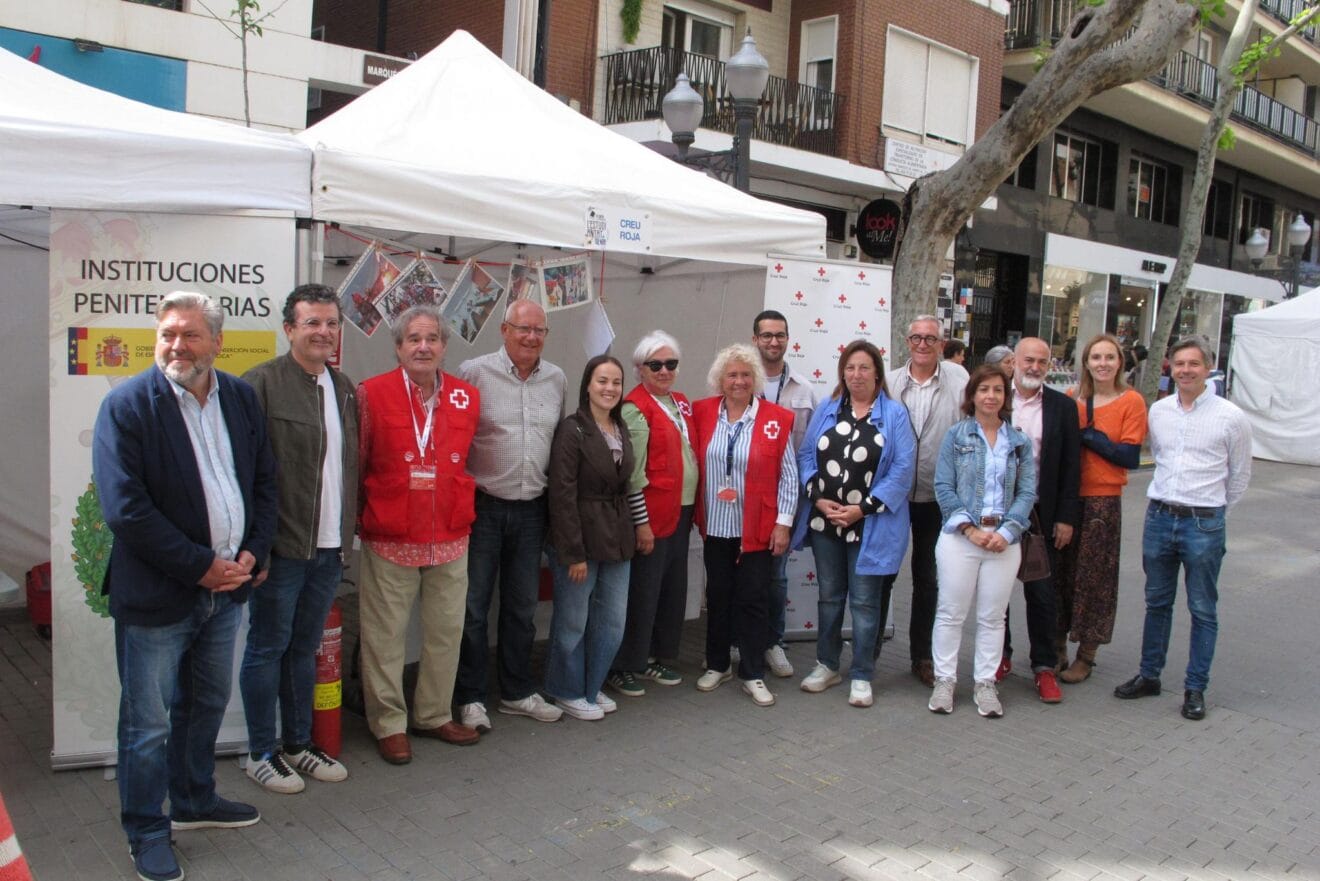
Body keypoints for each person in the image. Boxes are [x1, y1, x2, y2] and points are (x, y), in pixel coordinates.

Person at [93, 291, 276, 881]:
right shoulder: (127, 406)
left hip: (227, 593)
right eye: (168, 333)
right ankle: (147, 829)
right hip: (158, 596)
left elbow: (266, 484)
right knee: (147, 724)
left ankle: (195, 800)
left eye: (190, 335)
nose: (176, 345)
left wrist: (254, 550)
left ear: (216, 343)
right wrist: (201, 565)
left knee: (204, 706)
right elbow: (126, 510)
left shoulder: (241, 399)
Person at [239, 284, 357, 793]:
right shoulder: (260, 384)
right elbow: (242, 473)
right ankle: (259, 751)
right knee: (268, 647)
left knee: (304, 648)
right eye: (312, 323)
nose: (323, 332)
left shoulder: (344, 386)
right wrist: (255, 546)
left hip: (328, 548)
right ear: (289, 329)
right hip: (281, 549)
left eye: (331, 323)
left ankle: (298, 743)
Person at [356, 306, 481, 765]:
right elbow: (358, 461)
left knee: (446, 632)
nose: (423, 346)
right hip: (391, 532)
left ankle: (432, 714)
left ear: (444, 346)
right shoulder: (371, 394)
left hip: (450, 532)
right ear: (398, 346)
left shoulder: (467, 396)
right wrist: (359, 521)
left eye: (431, 338)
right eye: (413, 339)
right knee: (384, 636)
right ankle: (388, 723)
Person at [1114, 336, 1251, 721]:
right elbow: (1159, 457)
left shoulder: (1230, 417)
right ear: (1169, 368)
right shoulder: (1158, 411)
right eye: (1179, 364)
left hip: (1203, 522)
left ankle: (1195, 687)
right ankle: (1149, 674)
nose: (1186, 370)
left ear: (1209, 367)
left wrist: (1214, 513)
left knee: (1202, 608)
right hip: (1160, 517)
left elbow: (1239, 477)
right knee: (1157, 602)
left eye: (1193, 363)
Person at [456, 299, 567, 728]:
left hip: (531, 509)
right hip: (483, 506)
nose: (531, 337)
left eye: (539, 330)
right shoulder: (474, 372)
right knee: (473, 608)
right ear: (504, 330)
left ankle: (517, 691)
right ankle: (470, 697)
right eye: (523, 329)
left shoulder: (555, 378)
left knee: (522, 608)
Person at [793, 341, 915, 707]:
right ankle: (827, 664)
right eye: (850, 368)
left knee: (864, 602)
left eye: (864, 368)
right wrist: (816, 496)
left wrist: (861, 509)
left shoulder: (893, 414)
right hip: (826, 522)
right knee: (830, 598)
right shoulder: (829, 409)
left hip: (869, 524)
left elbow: (902, 470)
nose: (856, 375)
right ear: (842, 372)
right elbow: (804, 456)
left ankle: (861, 674)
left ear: (877, 372)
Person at [691, 343, 798, 707]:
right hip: (716, 526)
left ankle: (752, 672)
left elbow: (789, 477)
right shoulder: (702, 412)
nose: (739, 381)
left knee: (753, 599)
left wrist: (783, 524)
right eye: (732, 375)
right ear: (720, 380)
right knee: (718, 596)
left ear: (756, 380)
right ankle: (718, 663)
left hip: (757, 527)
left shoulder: (776, 418)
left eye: (746, 374)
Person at [928, 364, 1037, 718]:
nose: (991, 396)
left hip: (1004, 542)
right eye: (984, 389)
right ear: (972, 395)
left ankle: (985, 683)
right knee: (950, 612)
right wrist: (970, 529)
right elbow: (943, 486)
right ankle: (945, 680)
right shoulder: (956, 437)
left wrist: (1007, 532)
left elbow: (1026, 492)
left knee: (992, 617)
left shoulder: (1018, 443)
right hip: (961, 539)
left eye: (998, 390)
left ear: (1006, 397)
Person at [544, 356, 636, 720]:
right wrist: (573, 553)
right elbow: (561, 493)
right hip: (580, 537)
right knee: (572, 621)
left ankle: (591, 686)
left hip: (617, 538)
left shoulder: (620, 426)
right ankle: (565, 690)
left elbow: (625, 485)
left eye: (616, 381)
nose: (609, 388)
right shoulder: (572, 429)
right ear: (587, 385)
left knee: (612, 620)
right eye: (602, 381)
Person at [608, 332, 697, 698]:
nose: (664, 371)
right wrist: (641, 523)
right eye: (655, 365)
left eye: (670, 364)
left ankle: (657, 656)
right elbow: (633, 473)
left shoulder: (680, 401)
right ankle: (626, 663)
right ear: (639, 369)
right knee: (643, 591)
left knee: (671, 589)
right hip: (654, 513)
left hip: (683, 509)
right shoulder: (635, 407)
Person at [1054, 333, 1148, 683]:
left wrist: (1092, 438)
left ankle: (1087, 655)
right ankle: (1058, 645)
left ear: (1120, 363)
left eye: (1110, 357)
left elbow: (1130, 456)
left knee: (1096, 579)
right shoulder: (1070, 399)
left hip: (1104, 500)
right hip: (1069, 497)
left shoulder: (1131, 401)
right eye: (1096, 357)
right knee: (1062, 574)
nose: (1103, 364)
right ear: (1086, 363)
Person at [886, 315, 969, 687]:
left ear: (941, 343)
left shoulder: (960, 379)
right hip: (894, 495)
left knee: (928, 579)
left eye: (930, 339)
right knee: (882, 574)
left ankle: (922, 656)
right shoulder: (888, 381)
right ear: (907, 341)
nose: (922, 344)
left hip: (939, 497)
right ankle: (868, 653)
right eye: (916, 338)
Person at [997, 337, 1080, 703]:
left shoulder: (1062, 407)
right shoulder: (993, 398)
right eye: (1028, 360)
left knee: (1042, 596)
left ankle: (1045, 667)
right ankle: (1001, 657)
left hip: (1040, 516)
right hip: (996, 513)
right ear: (1013, 361)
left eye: (1042, 362)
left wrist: (1065, 517)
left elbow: (1070, 468)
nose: (1034, 367)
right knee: (996, 595)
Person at [752, 309, 820, 678]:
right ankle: (738, 638)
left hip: (786, 497)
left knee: (777, 576)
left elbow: (810, 449)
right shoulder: (741, 382)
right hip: (746, 498)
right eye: (766, 335)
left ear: (788, 339)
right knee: (742, 573)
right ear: (755, 339)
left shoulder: (805, 390)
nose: (773, 341)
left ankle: (773, 643)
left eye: (779, 335)